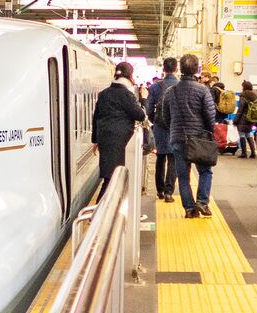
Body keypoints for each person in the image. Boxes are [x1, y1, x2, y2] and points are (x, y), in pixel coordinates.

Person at [161, 53, 219, 218]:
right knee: (205, 171)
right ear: (196, 69)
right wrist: (209, 133)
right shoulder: (203, 90)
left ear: (180, 68)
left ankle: (189, 209)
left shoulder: (171, 92)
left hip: (178, 139)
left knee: (183, 176)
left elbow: (165, 116)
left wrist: (174, 129)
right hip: (199, 138)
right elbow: (210, 115)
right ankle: (202, 202)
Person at [92, 62, 148, 200]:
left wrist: (95, 140)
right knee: (113, 178)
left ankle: (102, 211)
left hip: (105, 139)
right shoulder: (126, 95)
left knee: (109, 176)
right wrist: (144, 99)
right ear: (130, 76)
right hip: (120, 141)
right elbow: (140, 115)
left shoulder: (103, 94)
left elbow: (96, 117)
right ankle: (99, 213)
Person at [147, 56, 180, 202]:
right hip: (176, 127)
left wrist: (153, 122)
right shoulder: (180, 86)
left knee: (160, 158)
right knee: (173, 159)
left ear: (163, 69)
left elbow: (148, 107)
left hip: (159, 127)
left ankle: (159, 191)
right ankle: (169, 192)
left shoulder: (155, 87)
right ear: (176, 69)